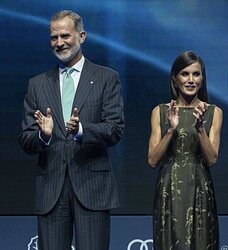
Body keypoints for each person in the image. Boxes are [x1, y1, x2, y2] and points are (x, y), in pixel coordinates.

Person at [19, 10, 124, 250]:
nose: (59, 43)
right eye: (54, 37)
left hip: (92, 188)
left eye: (65, 36)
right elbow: (25, 138)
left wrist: (81, 131)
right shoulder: (37, 84)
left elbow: (115, 129)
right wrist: (43, 137)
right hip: (51, 191)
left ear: (82, 36)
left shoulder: (106, 78)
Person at [148, 51, 223, 249]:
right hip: (169, 189)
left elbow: (211, 160)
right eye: (185, 74)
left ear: (202, 78)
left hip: (199, 189)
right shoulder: (160, 111)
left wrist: (200, 129)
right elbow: (152, 160)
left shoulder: (214, 112)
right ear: (175, 78)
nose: (191, 80)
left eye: (196, 74)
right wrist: (171, 129)